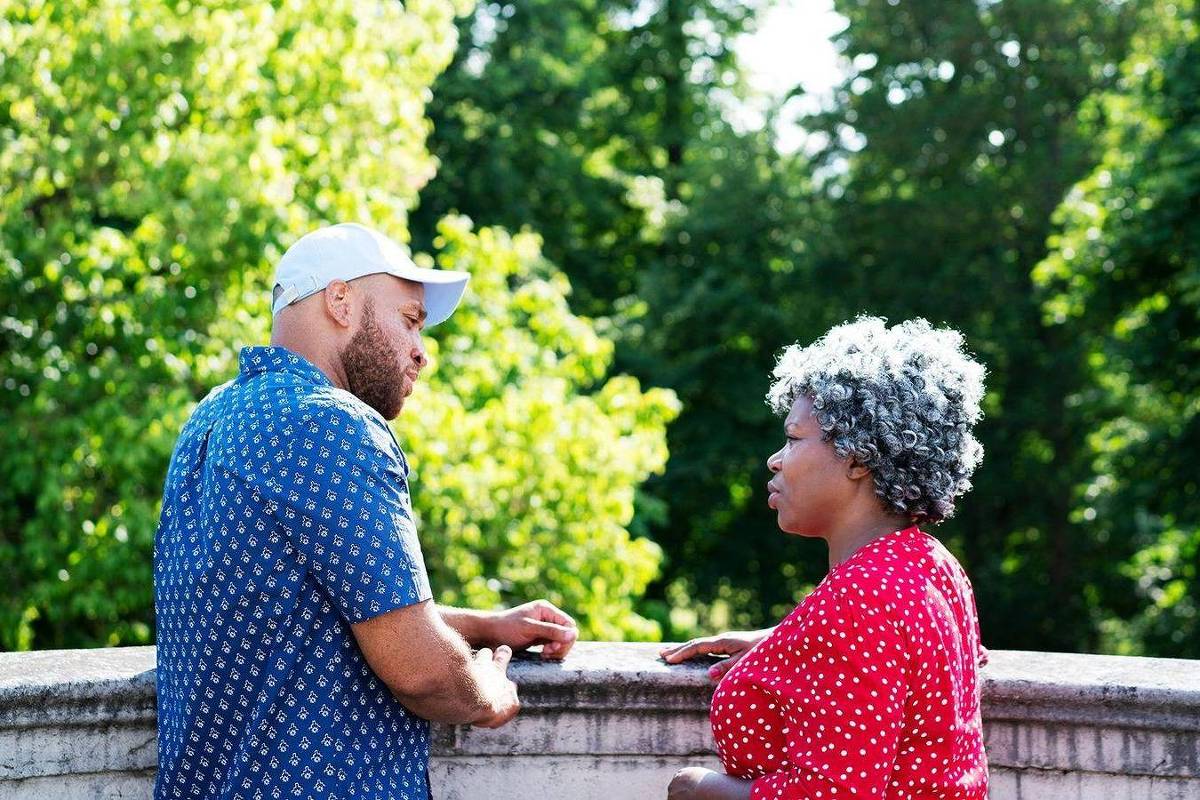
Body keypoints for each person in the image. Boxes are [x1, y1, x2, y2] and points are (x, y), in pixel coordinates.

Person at [153, 223, 578, 800]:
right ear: (340, 301)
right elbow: (423, 674)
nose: (421, 353)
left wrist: (482, 625)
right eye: (409, 319)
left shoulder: (212, 416)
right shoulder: (331, 422)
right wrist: (486, 691)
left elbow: (310, 617)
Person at [661, 317, 989, 800]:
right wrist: (793, 643)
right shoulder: (931, 564)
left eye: (794, 439)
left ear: (859, 457)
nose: (775, 459)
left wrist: (695, 788)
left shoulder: (860, 601)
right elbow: (914, 670)